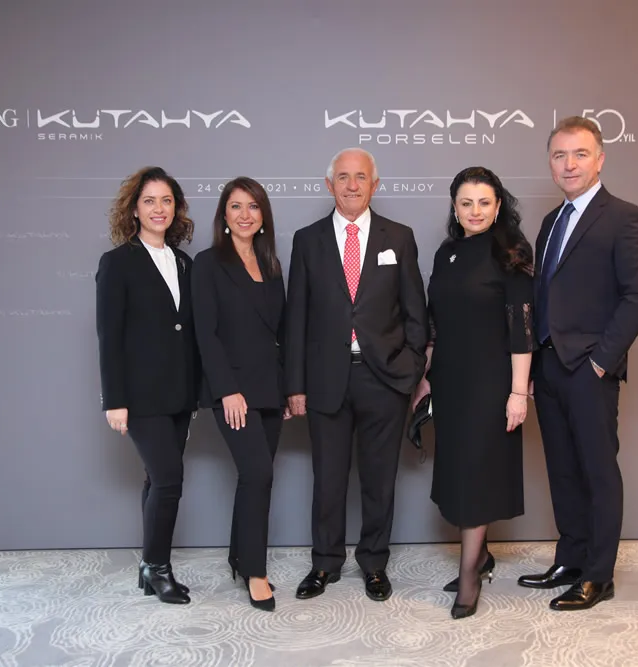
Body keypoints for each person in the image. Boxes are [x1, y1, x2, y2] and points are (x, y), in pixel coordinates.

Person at [521, 116, 638, 610]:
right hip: (549, 367)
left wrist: (602, 361)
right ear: (550, 163)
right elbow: (543, 295)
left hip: (589, 369)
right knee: (562, 470)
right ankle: (571, 559)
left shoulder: (625, 218)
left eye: (580, 153)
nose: (569, 164)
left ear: (600, 159)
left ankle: (599, 575)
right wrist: (533, 365)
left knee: (597, 472)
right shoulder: (550, 223)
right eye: (560, 155)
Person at [285, 147, 428, 602]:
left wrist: (410, 370)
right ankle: (325, 563)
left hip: (384, 379)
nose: (352, 185)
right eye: (343, 177)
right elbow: (296, 319)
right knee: (327, 479)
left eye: (360, 177)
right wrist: (295, 385)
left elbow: (416, 312)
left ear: (374, 184)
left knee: (379, 479)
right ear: (330, 185)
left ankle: (374, 563)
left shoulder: (399, 237)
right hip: (326, 379)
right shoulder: (307, 240)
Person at [411, 166, 535, 619]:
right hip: (450, 381)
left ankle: (469, 576)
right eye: (466, 203)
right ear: (455, 207)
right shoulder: (447, 252)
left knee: (477, 475)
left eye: (484, 202)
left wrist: (518, 393)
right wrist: (426, 376)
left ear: (498, 206)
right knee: (458, 472)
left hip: (491, 382)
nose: (475, 211)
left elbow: (523, 329)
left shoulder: (511, 252)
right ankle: (481, 557)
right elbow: (436, 323)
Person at [95, 166, 200, 605]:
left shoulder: (184, 263)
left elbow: (188, 332)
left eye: (167, 200)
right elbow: (109, 336)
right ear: (135, 209)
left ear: (176, 208)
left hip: (180, 394)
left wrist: (196, 393)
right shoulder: (118, 262)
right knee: (169, 479)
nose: (159, 209)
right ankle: (159, 568)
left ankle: (147, 565)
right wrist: (115, 400)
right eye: (150, 201)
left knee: (156, 480)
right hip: (140, 397)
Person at [191, 177, 290, 612]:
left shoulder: (271, 264)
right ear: (224, 215)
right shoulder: (208, 263)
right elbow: (206, 334)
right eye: (236, 206)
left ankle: (238, 556)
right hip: (233, 390)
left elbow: (281, 333)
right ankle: (255, 571)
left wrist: (287, 390)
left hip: (269, 388)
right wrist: (227, 390)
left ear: (263, 215)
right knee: (258, 474)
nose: (245, 214)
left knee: (256, 477)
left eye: (253, 206)